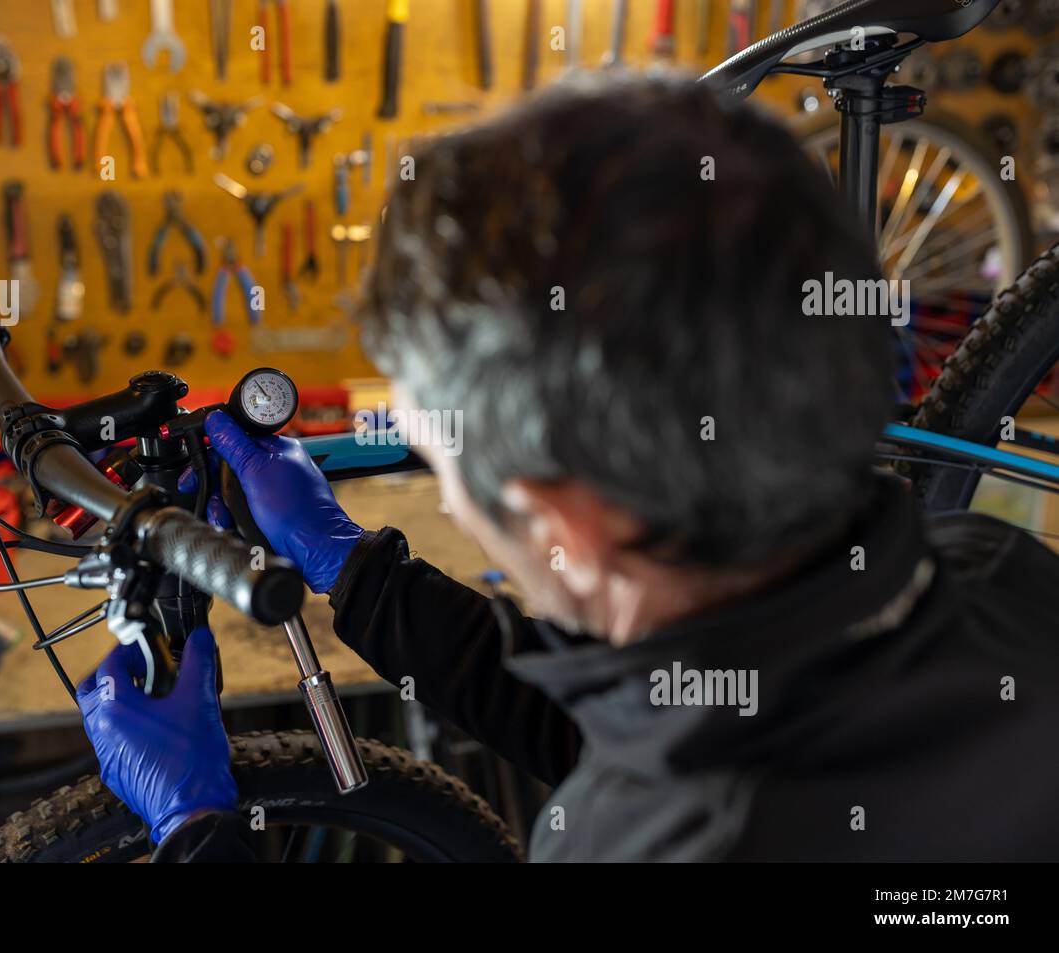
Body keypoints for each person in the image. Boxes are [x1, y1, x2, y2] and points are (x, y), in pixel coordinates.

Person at [77, 73, 1059, 862]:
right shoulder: (994, 567)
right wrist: (350, 568)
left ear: (563, 524)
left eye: (439, 450)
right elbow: (650, 730)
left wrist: (198, 833)